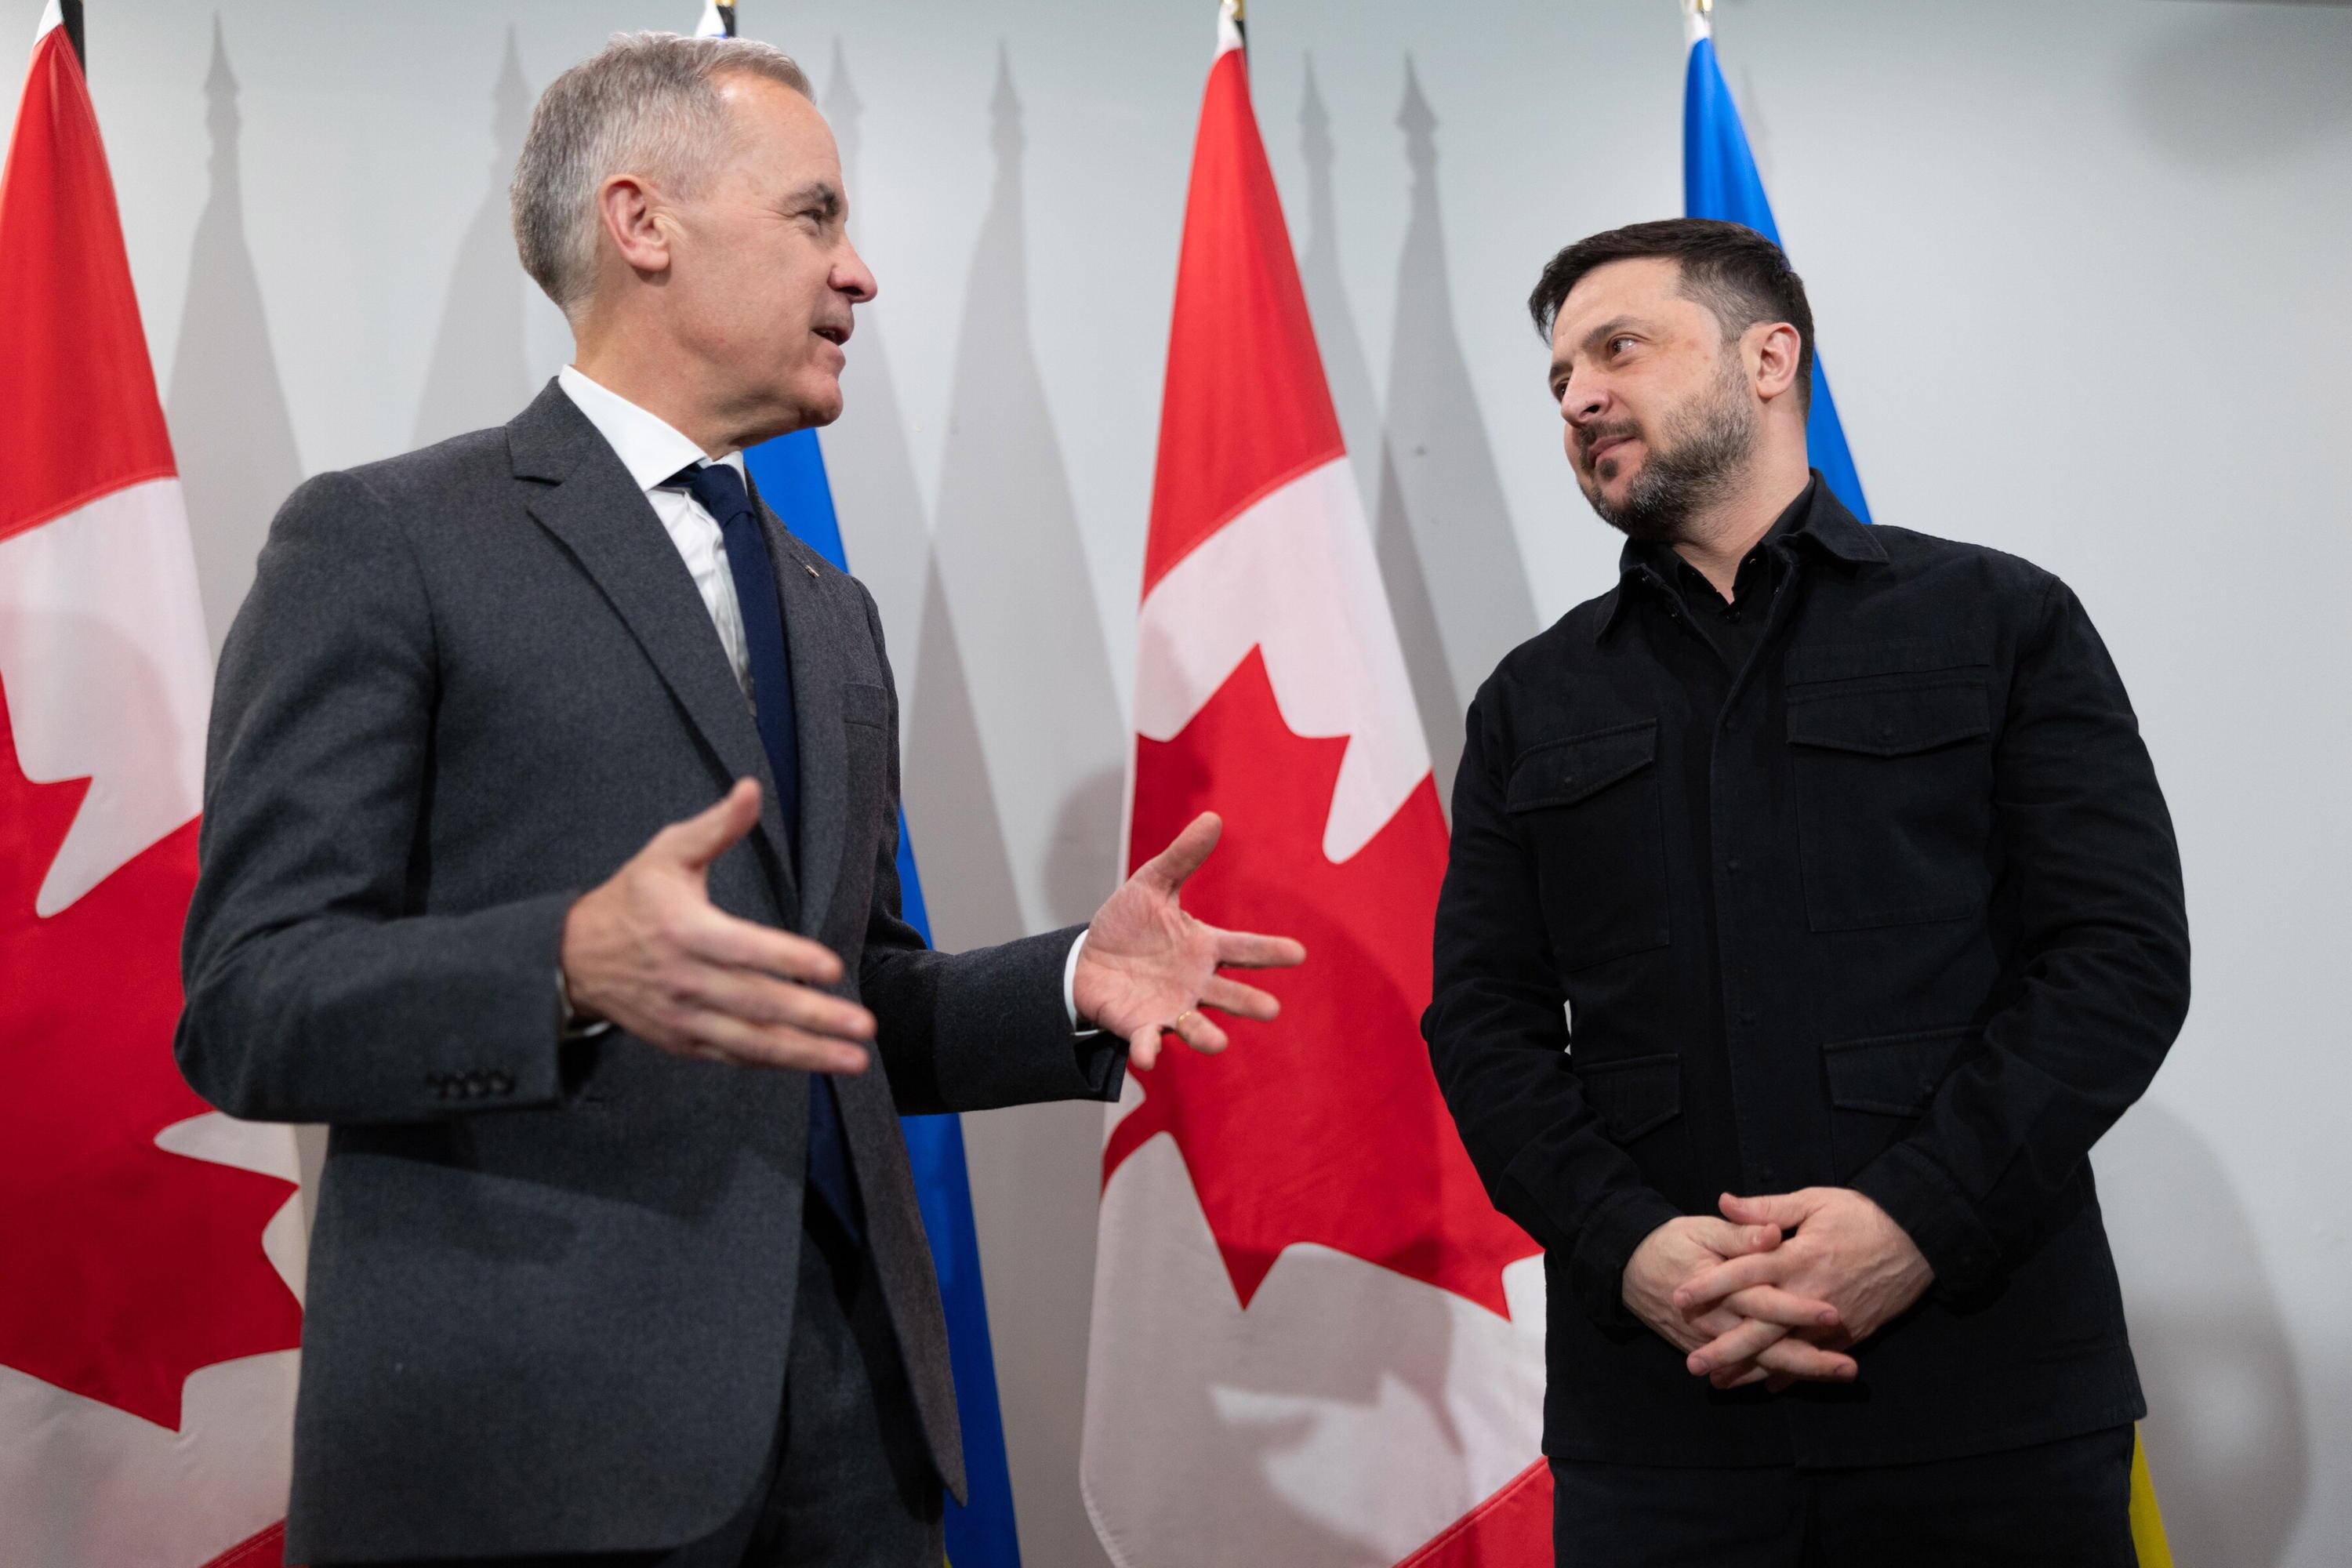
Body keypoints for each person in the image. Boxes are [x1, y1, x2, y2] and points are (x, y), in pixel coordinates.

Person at [176, 32, 1302, 1568]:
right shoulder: (387, 541)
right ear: (643, 223)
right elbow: (249, 1000)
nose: (860, 273)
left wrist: (1063, 985)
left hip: (854, 1444)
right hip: (533, 1457)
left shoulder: (828, 606)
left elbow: (840, 997)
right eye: (815, 216)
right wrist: (563, 968)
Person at [1422, 218, 2188, 1566]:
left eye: (1619, 349)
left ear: (1769, 359)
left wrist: (1915, 1223)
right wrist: (1629, 1244)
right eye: (1559, 378)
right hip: (1662, 1422)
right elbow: (1483, 1024)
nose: (1580, 397)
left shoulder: (2001, 619)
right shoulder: (1531, 701)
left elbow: (2116, 957)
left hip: (1986, 1403)